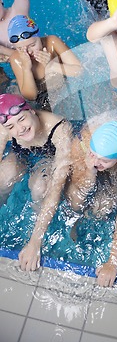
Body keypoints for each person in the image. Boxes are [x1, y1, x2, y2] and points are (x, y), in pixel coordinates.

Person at [67, 120, 117, 287]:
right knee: (75, 196)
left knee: (106, 205)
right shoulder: (81, 144)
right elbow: (76, 189)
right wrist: (90, 171)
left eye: (104, 161)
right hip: (89, 178)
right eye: (94, 156)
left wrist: (113, 261)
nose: (96, 162)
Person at [0, 93, 72, 271]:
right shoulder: (4, 129)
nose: (20, 129)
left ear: (31, 111)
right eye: (11, 126)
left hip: (49, 156)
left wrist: (35, 241)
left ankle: (34, 226)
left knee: (40, 188)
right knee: (4, 177)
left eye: (22, 119)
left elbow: (57, 187)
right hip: (21, 153)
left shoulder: (60, 129)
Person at [8, 15, 82, 110]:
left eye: (32, 45)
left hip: (65, 87)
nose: (28, 52)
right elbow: (31, 97)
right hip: (42, 99)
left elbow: (78, 71)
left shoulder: (52, 43)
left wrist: (52, 65)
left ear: (39, 37)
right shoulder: (16, 58)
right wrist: (26, 69)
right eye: (20, 48)